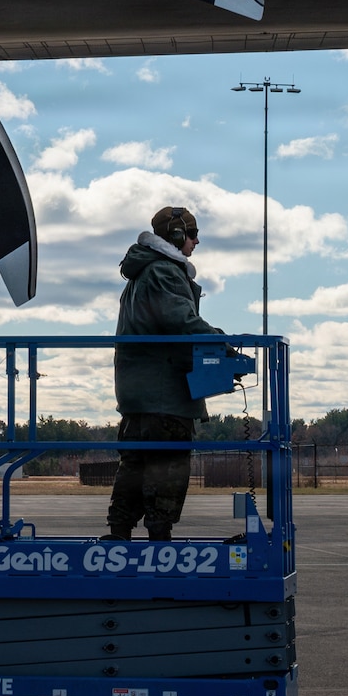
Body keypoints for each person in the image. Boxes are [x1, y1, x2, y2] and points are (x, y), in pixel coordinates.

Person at [106, 205, 222, 541]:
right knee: (166, 467)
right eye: (192, 234)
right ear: (176, 236)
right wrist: (221, 342)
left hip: (137, 394)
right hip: (164, 394)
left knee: (134, 466)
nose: (196, 241)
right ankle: (159, 541)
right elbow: (183, 323)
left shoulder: (142, 274)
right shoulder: (165, 273)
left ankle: (119, 536)